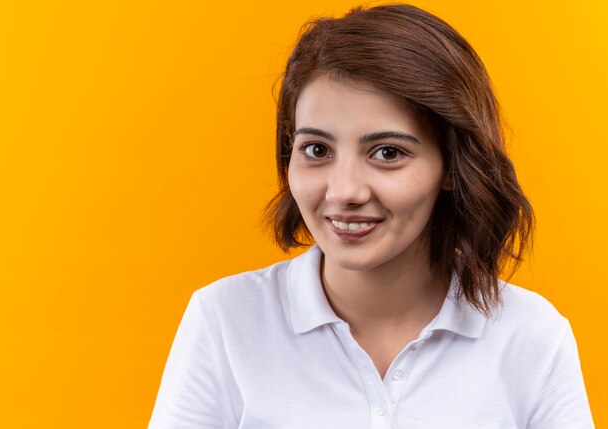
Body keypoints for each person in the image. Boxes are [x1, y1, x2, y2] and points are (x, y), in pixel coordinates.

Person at [148, 4, 594, 428]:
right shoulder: (225, 320)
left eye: (387, 153)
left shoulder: (533, 337)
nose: (343, 191)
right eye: (316, 150)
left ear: (452, 167)